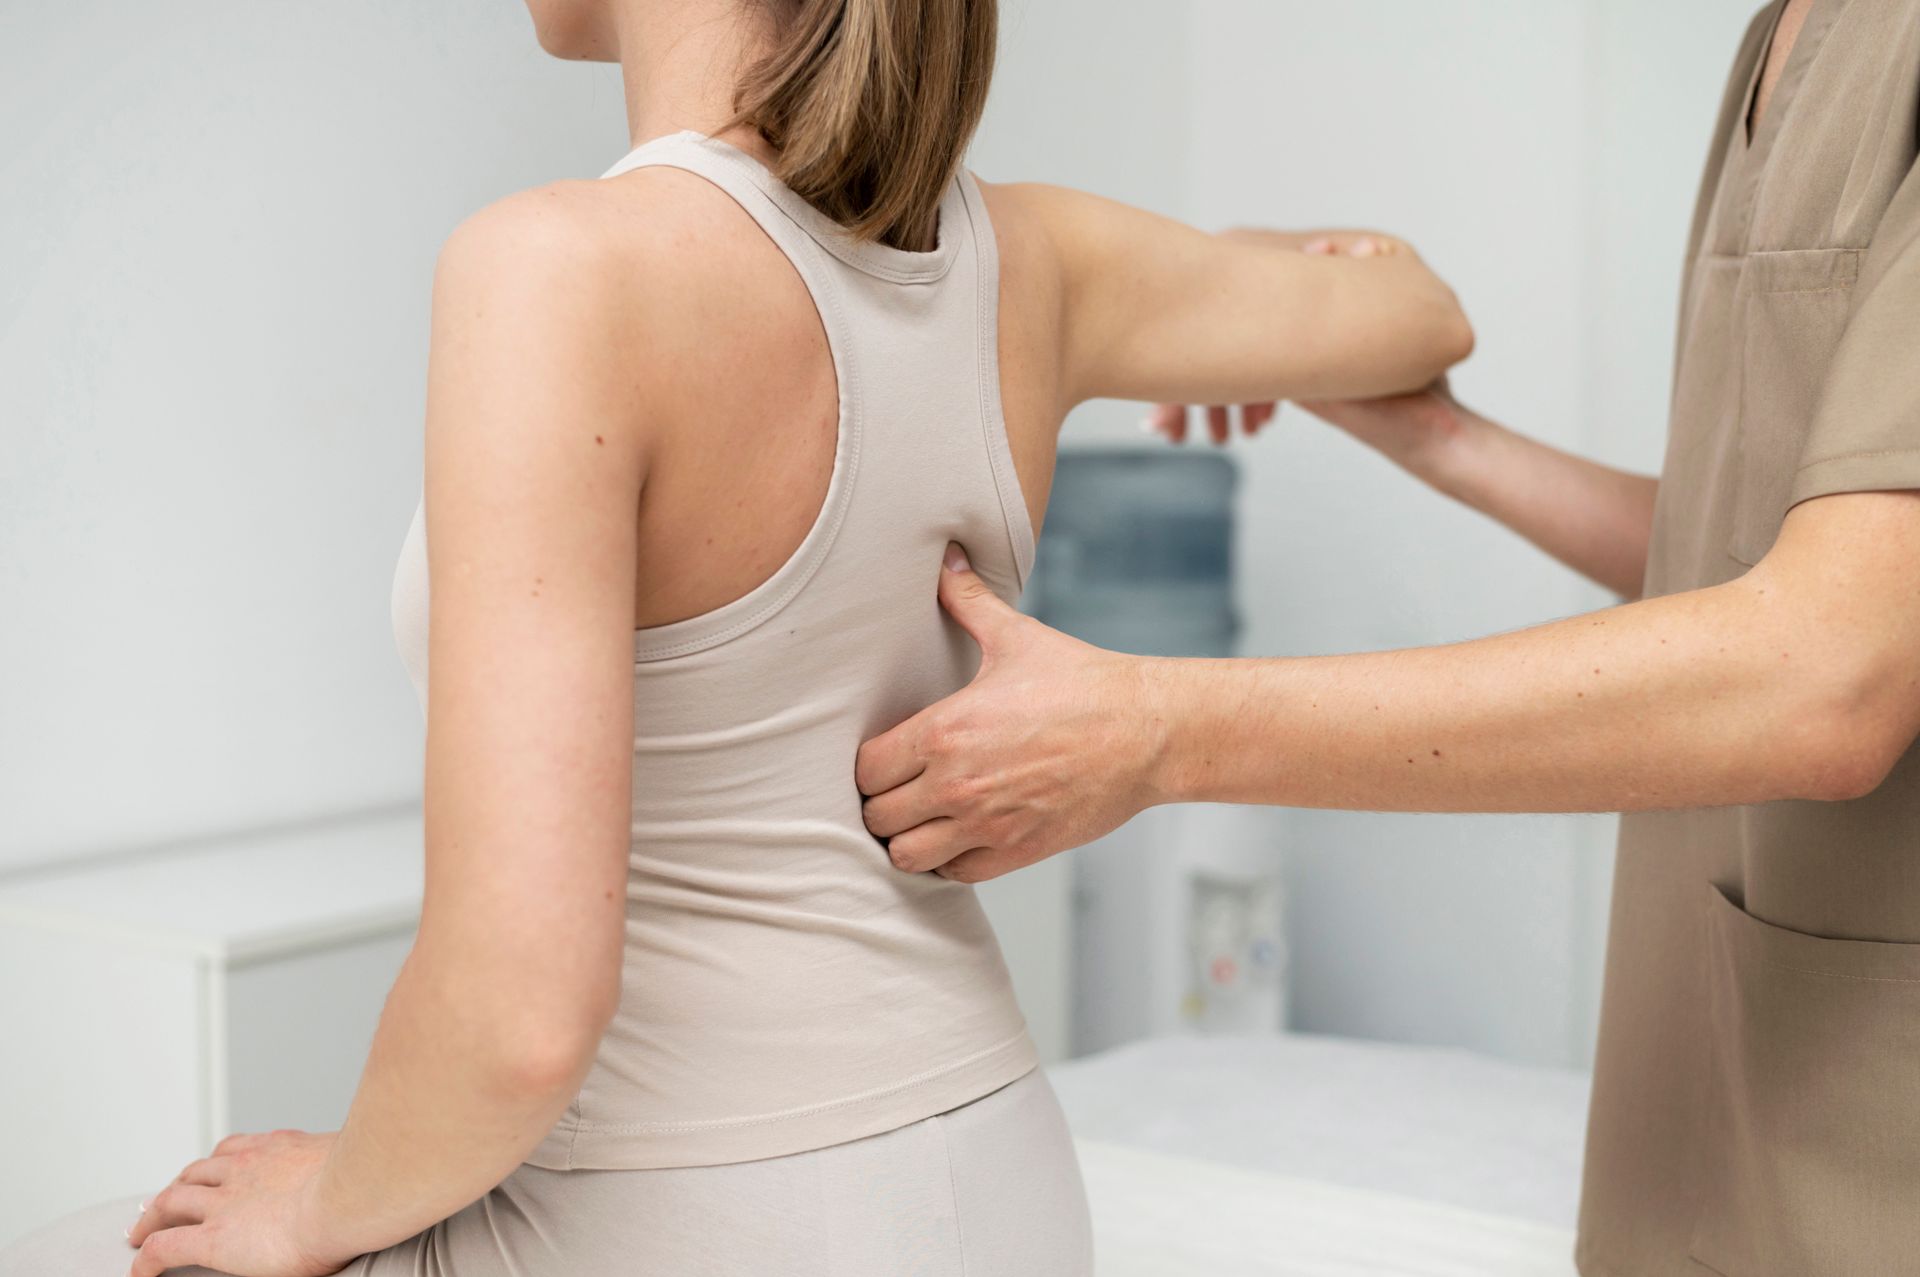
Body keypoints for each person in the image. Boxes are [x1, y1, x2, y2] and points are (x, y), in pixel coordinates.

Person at [0, 1, 1475, 1274]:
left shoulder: (560, 267)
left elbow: (518, 1015)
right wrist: (1256, 264)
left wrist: (318, 1201)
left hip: (676, 1210)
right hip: (1006, 1178)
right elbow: (1420, 317)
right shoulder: (1043, 258)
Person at [856, 1, 1920, 1272]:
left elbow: (1833, 663)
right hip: (1704, 1132)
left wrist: (1159, 729)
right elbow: (1763, 549)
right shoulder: (1785, 34)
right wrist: (1439, 438)